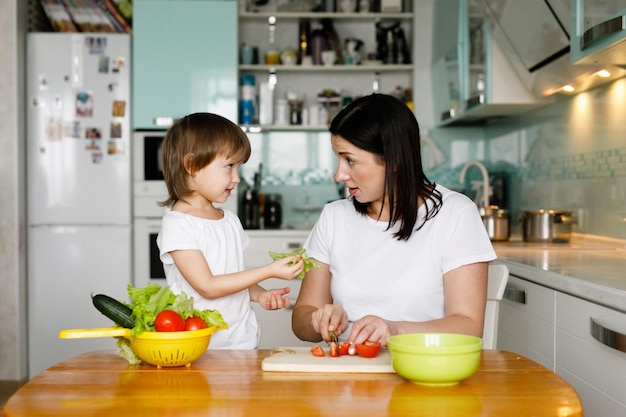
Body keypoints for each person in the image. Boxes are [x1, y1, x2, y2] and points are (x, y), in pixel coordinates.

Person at [292, 94, 497, 348]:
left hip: (425, 374)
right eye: (339, 159)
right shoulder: (334, 217)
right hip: (348, 374)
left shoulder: (455, 214)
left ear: (394, 159)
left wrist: (394, 330)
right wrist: (318, 319)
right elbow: (302, 316)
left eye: (350, 160)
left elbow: (468, 326)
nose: (339, 174)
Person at [157, 113, 304, 349]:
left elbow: (232, 276)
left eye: (238, 167)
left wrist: (259, 295)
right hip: (199, 347)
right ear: (192, 165)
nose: (236, 178)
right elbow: (208, 286)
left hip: (242, 341)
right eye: (229, 167)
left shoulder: (230, 221)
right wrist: (268, 271)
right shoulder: (178, 224)